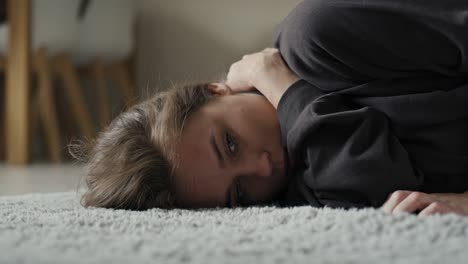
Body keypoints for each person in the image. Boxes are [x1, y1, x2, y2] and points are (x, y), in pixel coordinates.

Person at [73, 0, 468, 216]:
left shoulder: (317, 37)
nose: (263, 168)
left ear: (218, 90)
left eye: (229, 144)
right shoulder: (310, 187)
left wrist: (284, 86)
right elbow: (385, 182)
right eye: (239, 194)